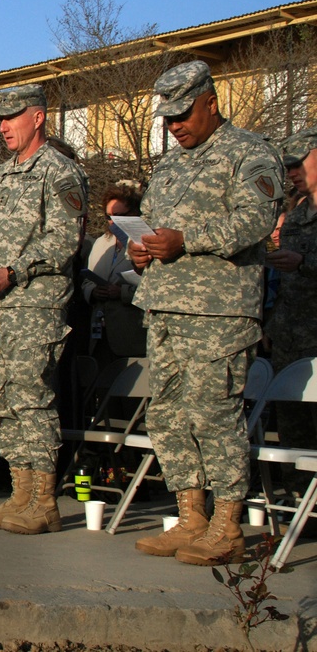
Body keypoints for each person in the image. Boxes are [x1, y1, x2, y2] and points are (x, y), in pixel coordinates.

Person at [129, 60, 283, 566]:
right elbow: (154, 222)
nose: (175, 126)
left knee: (214, 414)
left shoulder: (249, 153)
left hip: (219, 311)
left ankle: (228, 526)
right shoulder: (170, 164)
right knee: (169, 413)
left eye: (183, 114)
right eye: (168, 118)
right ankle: (191, 517)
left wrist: (187, 241)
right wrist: (142, 249)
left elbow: (257, 220)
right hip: (165, 305)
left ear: (211, 103)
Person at [0, 83, 88, 535]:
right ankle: (19, 494)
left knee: (32, 397)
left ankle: (44, 500)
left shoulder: (60, 172)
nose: (4, 126)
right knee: (1, 400)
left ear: (38, 117)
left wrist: (15, 270)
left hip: (36, 304)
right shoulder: (2, 175)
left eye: (11, 117)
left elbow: (65, 240)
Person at [265, 126, 317, 496]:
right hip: (289, 334)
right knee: (293, 424)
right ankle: (303, 503)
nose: (293, 173)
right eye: (288, 167)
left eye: (299, 163)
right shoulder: (296, 213)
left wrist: (305, 262)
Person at [82, 182, 146, 366]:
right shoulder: (102, 242)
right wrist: (93, 292)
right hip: (100, 334)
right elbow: (86, 280)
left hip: (131, 334)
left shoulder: (145, 243)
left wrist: (122, 293)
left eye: (119, 216)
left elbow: (155, 287)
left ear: (135, 213)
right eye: (109, 216)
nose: (113, 222)